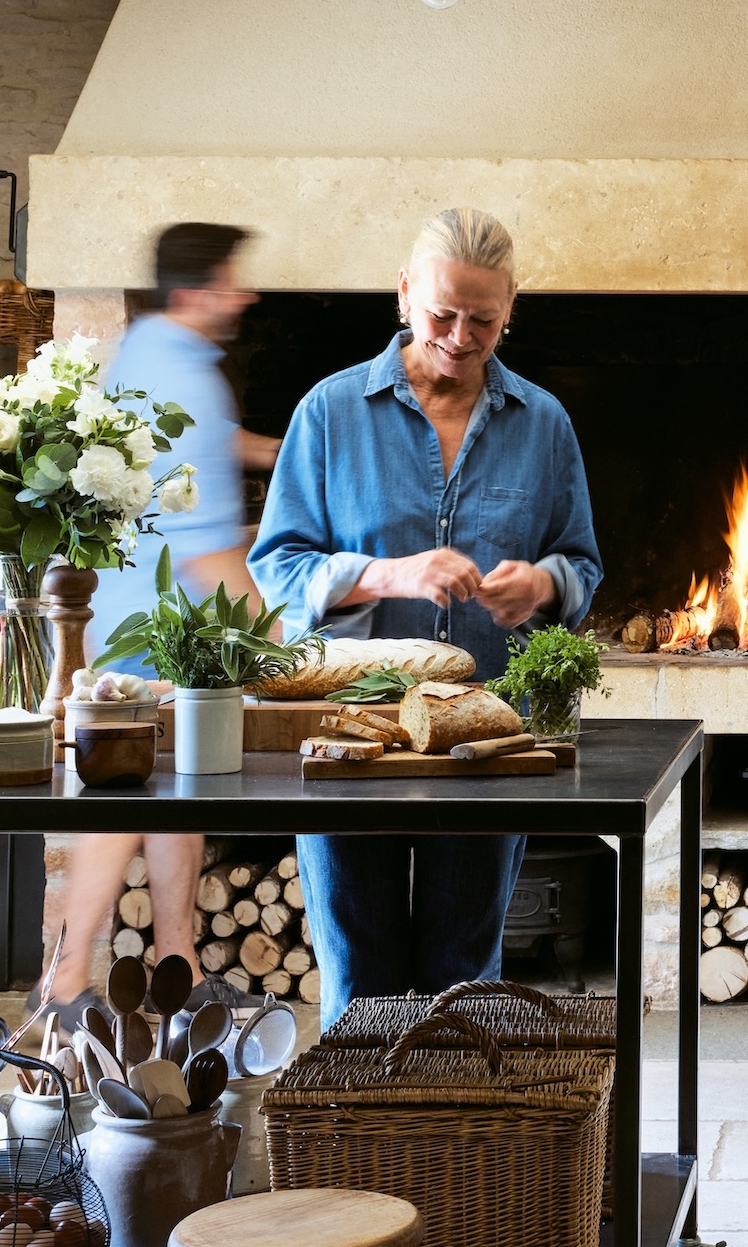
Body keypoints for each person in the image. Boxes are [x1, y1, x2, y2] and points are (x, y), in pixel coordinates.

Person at [251, 206, 601, 1025]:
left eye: (483, 318)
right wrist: (386, 573)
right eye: (442, 313)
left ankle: (445, 1150)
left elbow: (581, 564)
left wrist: (543, 587)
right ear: (405, 295)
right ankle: (356, 1150)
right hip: (350, 739)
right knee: (358, 975)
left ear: (510, 310)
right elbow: (277, 569)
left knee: (464, 977)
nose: (459, 335)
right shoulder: (330, 413)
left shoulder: (543, 424)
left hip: (488, 738)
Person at [46, 222, 281, 1009]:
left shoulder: (150, 351)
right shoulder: (186, 375)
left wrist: (299, 449)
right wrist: (282, 641)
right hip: (158, 631)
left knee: (178, 790)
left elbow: (209, 446)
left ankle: (177, 970)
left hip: (126, 613)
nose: (244, 294)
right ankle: (67, 978)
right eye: (232, 280)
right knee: (121, 802)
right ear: (196, 291)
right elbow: (209, 551)